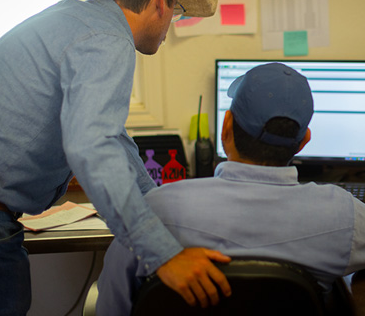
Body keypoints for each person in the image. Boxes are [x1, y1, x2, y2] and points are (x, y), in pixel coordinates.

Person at [0, 0, 232, 315]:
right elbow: (93, 146)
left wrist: (159, 214)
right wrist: (164, 255)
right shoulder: (107, 40)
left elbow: (114, 141)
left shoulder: (77, 21)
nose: (171, 22)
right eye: (177, 11)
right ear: (162, 0)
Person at [96, 62, 365, 315]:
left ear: (226, 127)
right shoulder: (345, 215)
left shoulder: (152, 211)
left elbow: (112, 304)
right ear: (304, 141)